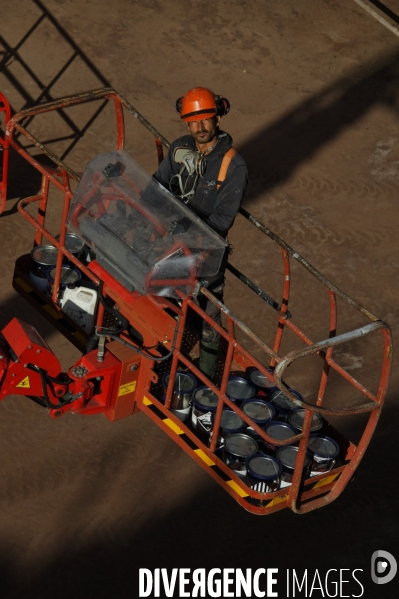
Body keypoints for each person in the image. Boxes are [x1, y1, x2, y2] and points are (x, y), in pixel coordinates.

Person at [154, 87, 248, 379]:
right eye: (194, 121)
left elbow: (222, 220)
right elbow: (158, 186)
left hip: (207, 251)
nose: (200, 127)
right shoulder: (180, 148)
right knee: (161, 301)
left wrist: (191, 237)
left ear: (217, 118)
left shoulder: (233, 165)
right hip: (172, 243)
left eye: (206, 119)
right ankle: (163, 361)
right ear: (186, 123)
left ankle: (206, 378)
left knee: (209, 316)